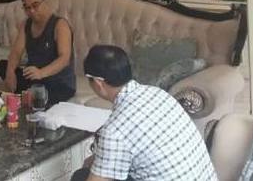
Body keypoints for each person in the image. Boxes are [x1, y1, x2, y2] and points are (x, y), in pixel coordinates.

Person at [71, 45, 218, 181]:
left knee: (81, 176)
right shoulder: (159, 94)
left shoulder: (114, 130)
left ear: (98, 83)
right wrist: (100, 159)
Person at [0, 0, 76, 105]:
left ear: (45, 2)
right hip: (34, 78)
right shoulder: (26, 24)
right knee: (3, 66)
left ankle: (26, 97)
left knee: (38, 99)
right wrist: (10, 72)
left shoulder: (60, 25)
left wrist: (41, 72)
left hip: (58, 82)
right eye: (27, 7)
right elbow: (16, 52)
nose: (32, 11)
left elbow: (64, 59)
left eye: (35, 5)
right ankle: (25, 97)